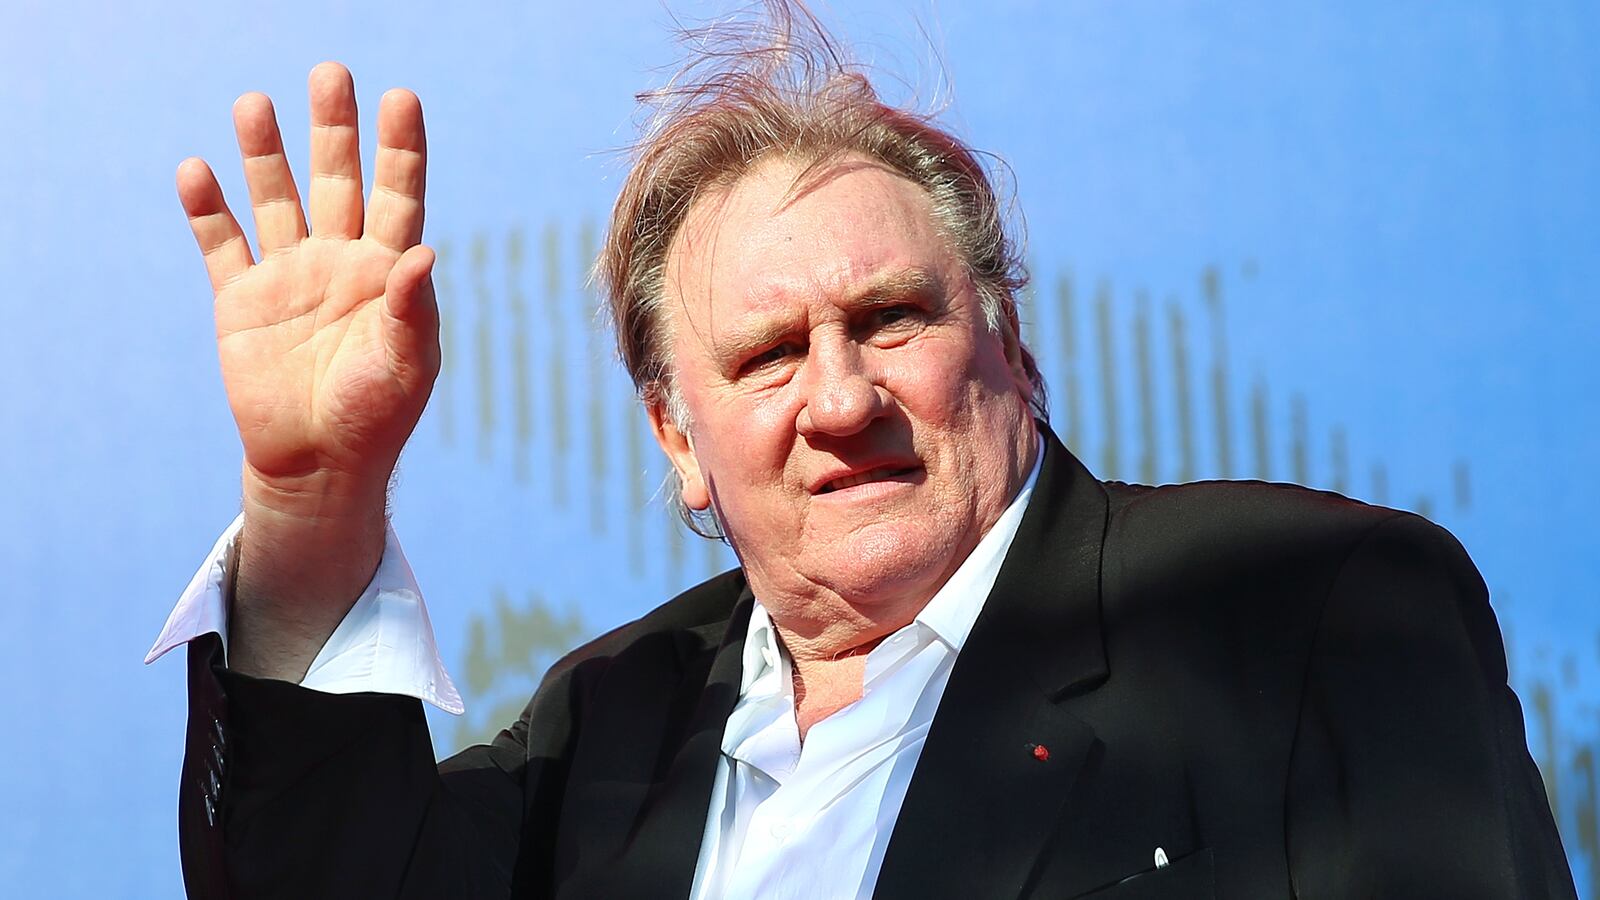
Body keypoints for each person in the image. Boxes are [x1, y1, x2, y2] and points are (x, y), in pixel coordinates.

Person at [148, 6, 1575, 898]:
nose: (840, 398)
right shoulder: (607, 729)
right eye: (768, 354)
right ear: (677, 437)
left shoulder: (1299, 607)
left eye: (891, 319)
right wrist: (314, 501)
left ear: (1008, 340)